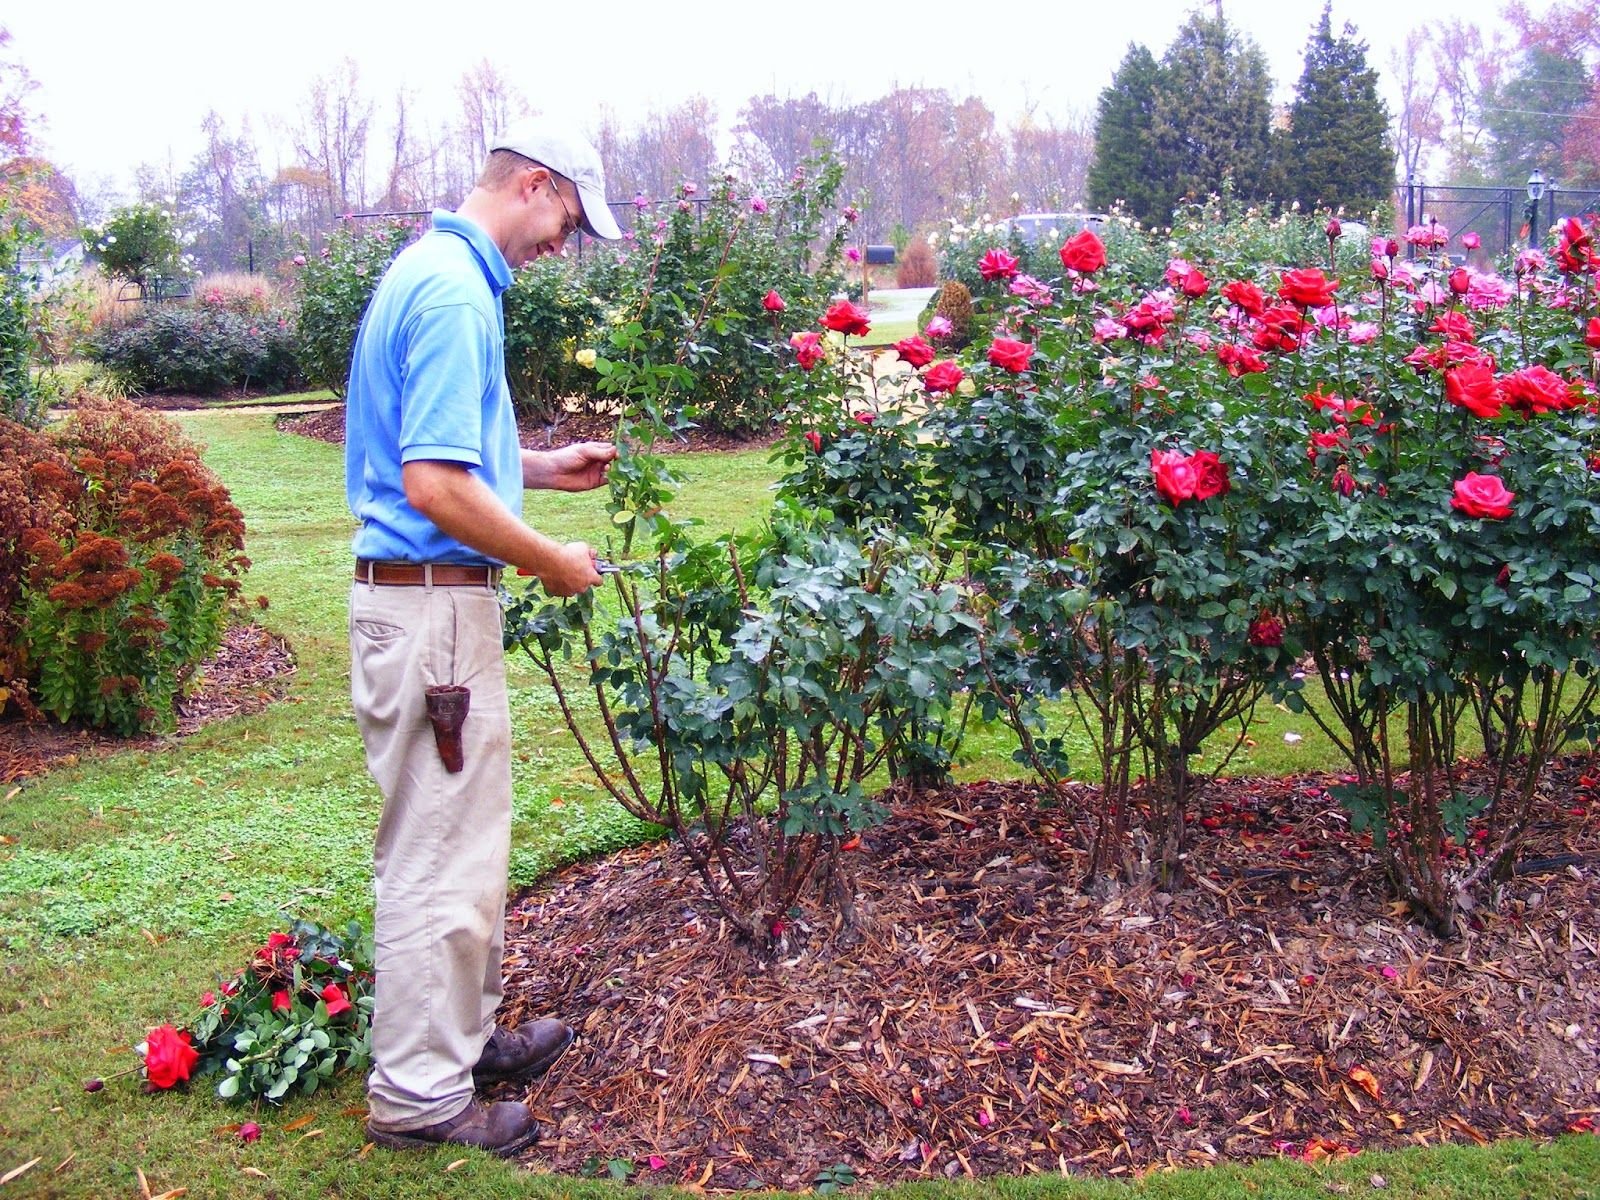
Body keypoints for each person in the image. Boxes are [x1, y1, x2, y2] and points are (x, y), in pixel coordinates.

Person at [344, 117, 623, 1157]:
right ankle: (420, 1098)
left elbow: (439, 453)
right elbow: (431, 487)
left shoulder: (430, 269)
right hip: (432, 615)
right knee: (436, 854)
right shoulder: (457, 291)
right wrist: (550, 556)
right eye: (569, 220)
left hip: (423, 606)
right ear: (537, 185)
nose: (566, 241)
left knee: (460, 841)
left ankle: (458, 1039)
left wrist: (541, 465)